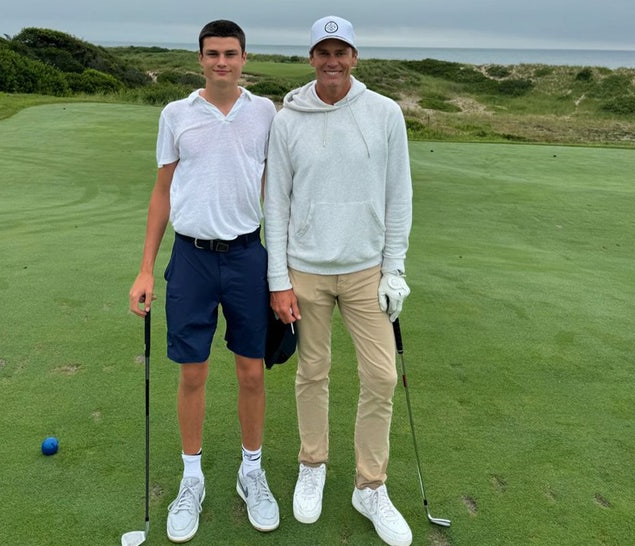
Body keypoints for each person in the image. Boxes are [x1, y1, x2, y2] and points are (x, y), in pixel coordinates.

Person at [263, 15, 414, 546]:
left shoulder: (385, 113)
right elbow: (276, 203)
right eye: (322, 51)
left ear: (354, 57)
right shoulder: (288, 118)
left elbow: (400, 196)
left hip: (365, 270)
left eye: (341, 51)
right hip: (305, 270)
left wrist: (394, 269)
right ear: (311, 59)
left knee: (381, 377)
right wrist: (278, 279)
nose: (332, 60)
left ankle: (369, 486)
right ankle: (313, 464)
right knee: (312, 373)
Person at [128, 19, 279, 542]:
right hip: (190, 259)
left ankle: (251, 471)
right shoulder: (176, 114)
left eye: (231, 53)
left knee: (252, 372)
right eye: (212, 53)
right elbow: (161, 192)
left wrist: (279, 273)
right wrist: (147, 268)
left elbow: (274, 194)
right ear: (200, 59)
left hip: (246, 257)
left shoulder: (265, 113)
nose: (222, 62)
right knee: (192, 373)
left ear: (244, 58)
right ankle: (191, 479)